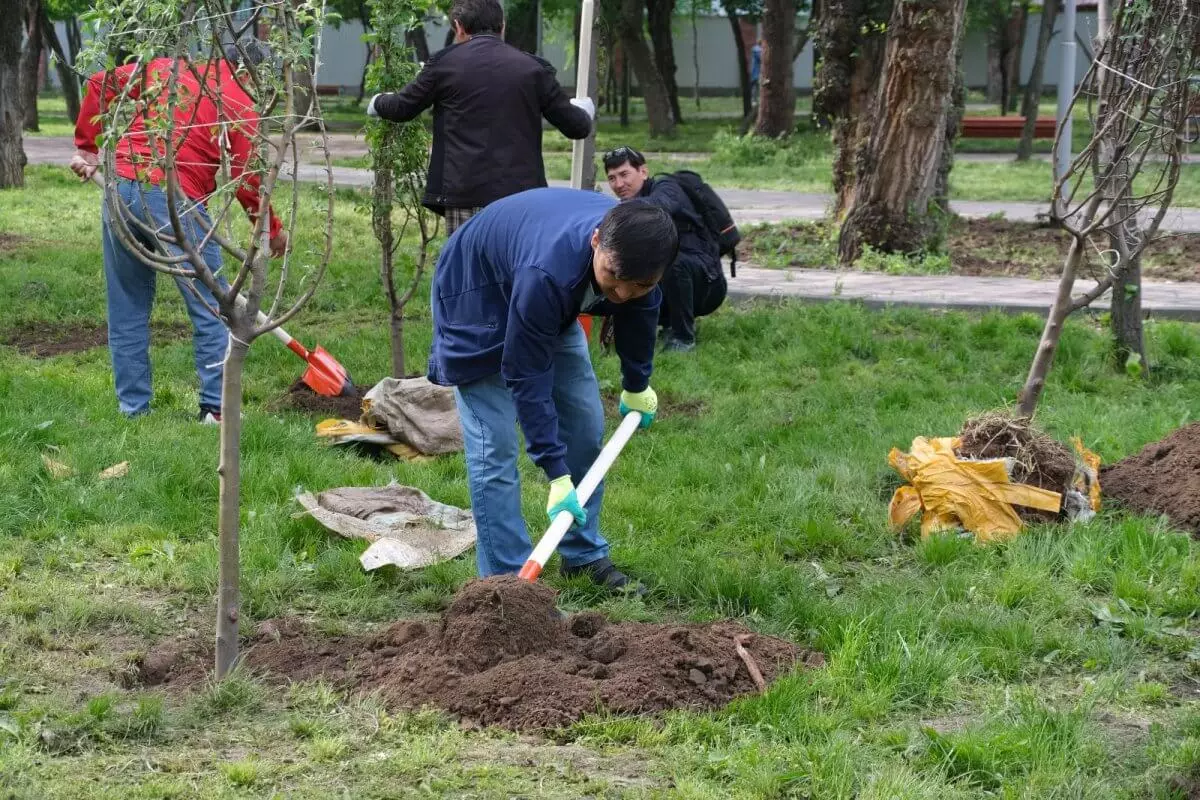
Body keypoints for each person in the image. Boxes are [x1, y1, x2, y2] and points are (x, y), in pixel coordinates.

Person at [428, 187, 678, 591]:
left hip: (545, 297)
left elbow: (639, 314)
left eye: (641, 284)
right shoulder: (549, 271)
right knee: (496, 446)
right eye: (614, 278)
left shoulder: (640, 255)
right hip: (476, 294)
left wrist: (636, 384)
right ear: (597, 239)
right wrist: (555, 471)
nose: (622, 294)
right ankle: (506, 587)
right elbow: (526, 373)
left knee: (584, 424)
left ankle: (582, 555)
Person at [69, 41, 287, 424]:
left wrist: (87, 148)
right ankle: (215, 410)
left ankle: (133, 412)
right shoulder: (239, 99)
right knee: (212, 305)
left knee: (127, 305)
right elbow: (247, 178)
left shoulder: (166, 69)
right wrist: (271, 230)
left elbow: (101, 84)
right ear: (252, 74)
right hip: (175, 199)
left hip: (120, 185)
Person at [366, 0, 595, 234]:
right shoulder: (533, 69)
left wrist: (377, 102)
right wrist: (585, 109)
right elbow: (576, 127)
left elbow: (402, 107)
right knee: (512, 266)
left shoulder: (444, 64)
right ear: (502, 25)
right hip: (522, 199)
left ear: (458, 26)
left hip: (464, 193)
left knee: (468, 266)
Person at [603, 146, 726, 353]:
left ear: (643, 171)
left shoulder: (667, 187)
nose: (619, 184)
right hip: (672, 282)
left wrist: (615, 211)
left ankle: (683, 338)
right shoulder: (631, 204)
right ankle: (662, 325)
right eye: (612, 178)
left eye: (624, 174)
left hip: (707, 284)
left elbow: (660, 204)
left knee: (672, 262)